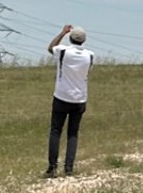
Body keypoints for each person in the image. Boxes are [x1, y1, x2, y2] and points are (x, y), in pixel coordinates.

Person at [45, 24, 94, 178]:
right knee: (73, 133)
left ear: (71, 38)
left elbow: (51, 47)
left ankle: (52, 167)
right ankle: (69, 168)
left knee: (55, 131)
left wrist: (62, 33)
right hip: (80, 98)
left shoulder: (63, 51)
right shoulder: (90, 55)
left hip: (61, 96)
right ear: (84, 41)